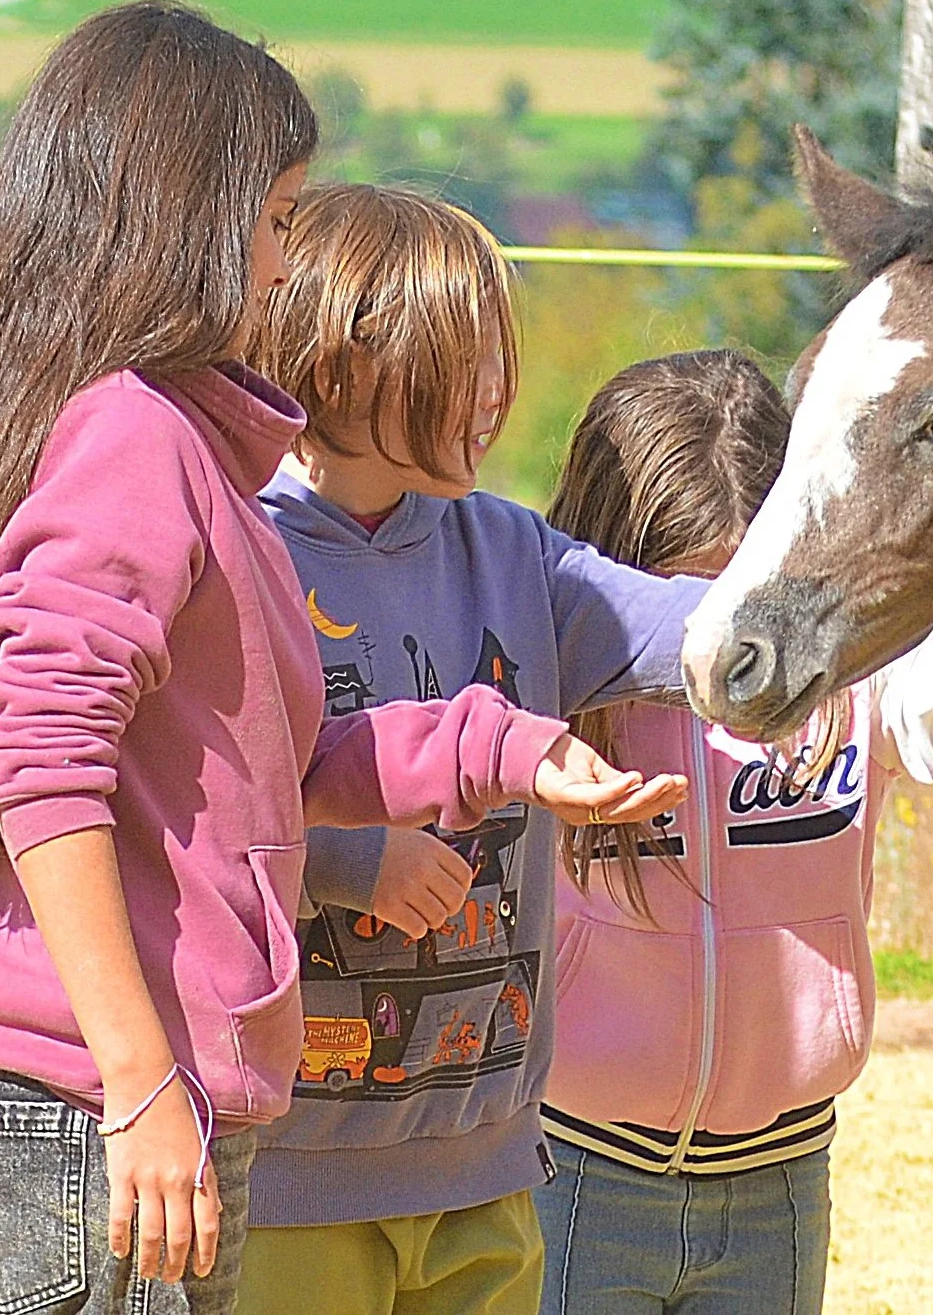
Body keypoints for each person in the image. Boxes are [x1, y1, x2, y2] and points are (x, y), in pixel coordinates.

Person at [0, 6, 671, 1315]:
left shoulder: (167, 445)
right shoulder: (135, 438)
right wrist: (140, 1077)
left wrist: (516, 747)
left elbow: (269, 766)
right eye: (274, 222)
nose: (278, 267)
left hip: (141, 1097)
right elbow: (40, 763)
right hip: (105, 1105)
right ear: (185, 226)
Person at [236, 185, 705, 1315]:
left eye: (499, 357)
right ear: (340, 367)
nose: (496, 394)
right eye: (460, 361)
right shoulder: (237, 550)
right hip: (289, 1181)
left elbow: (704, 629)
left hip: (487, 1164)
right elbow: (190, 811)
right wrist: (347, 863)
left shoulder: (513, 551)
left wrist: (881, 627)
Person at [535, 350, 933, 1315]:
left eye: (742, 596)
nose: (714, 655)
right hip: (572, 1175)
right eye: (671, 606)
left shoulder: (840, 668)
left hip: (779, 1183)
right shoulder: (543, 685)